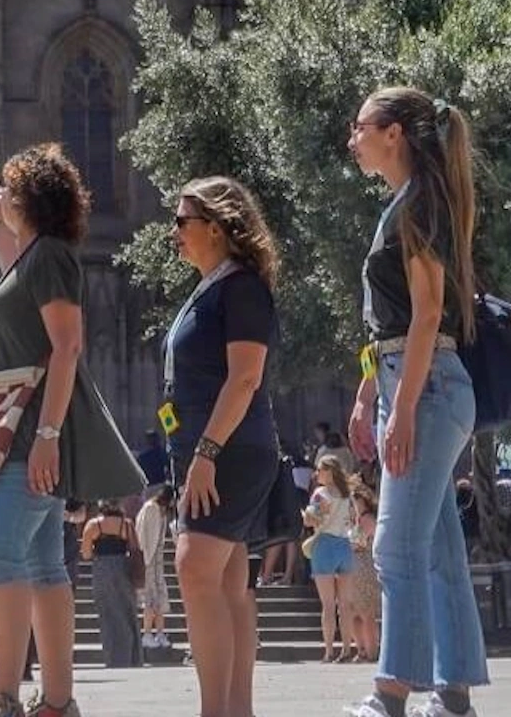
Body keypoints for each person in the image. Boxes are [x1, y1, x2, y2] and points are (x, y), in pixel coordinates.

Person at [0, 146, 142, 717]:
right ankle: (58, 702)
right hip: (25, 428)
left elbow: (67, 346)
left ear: (32, 198)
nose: (5, 197)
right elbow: (17, 286)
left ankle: (6, 696)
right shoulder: (36, 257)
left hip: (28, 433)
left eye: (11, 191)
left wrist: (45, 435)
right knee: (43, 562)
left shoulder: (54, 258)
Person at [345, 89, 489, 717]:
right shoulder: (401, 205)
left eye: (361, 127)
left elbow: (429, 312)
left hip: (426, 387)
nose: (353, 137)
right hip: (417, 378)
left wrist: (400, 408)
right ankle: (452, 695)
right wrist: (369, 387)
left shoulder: (420, 205)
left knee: (394, 549)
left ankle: (390, 694)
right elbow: (398, 320)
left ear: (394, 133)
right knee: (435, 549)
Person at [165, 175, 281, 717]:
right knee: (230, 580)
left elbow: (244, 378)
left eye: (181, 222)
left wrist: (205, 453)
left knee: (194, 568)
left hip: (229, 449)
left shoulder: (240, 287)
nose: (174, 233)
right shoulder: (216, 285)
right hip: (217, 448)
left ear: (215, 227)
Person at [304, 453, 357, 663]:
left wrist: (307, 516)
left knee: (327, 605)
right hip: (344, 545)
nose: (317, 473)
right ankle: (346, 648)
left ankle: (328, 650)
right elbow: (353, 521)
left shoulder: (320, 494)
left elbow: (311, 520)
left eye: (319, 469)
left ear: (329, 472)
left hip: (324, 544)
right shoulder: (347, 495)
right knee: (345, 604)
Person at [82, 499, 143, 667]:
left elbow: (86, 554)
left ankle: (115, 657)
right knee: (129, 612)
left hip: (102, 568)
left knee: (108, 613)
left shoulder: (94, 525)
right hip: (124, 567)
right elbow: (135, 547)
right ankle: (133, 657)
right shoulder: (127, 524)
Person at [343, 478, 381, 665]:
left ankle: (372, 650)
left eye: (355, 501)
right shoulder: (353, 521)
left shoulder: (367, 519)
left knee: (366, 612)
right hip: (351, 567)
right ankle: (361, 648)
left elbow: (368, 540)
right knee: (353, 612)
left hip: (364, 566)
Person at [135, 485, 174, 655]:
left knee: (159, 598)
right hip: (149, 559)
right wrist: (144, 559)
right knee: (150, 599)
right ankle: (147, 633)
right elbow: (143, 535)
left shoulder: (161, 511)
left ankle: (159, 632)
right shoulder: (151, 509)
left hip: (157, 560)